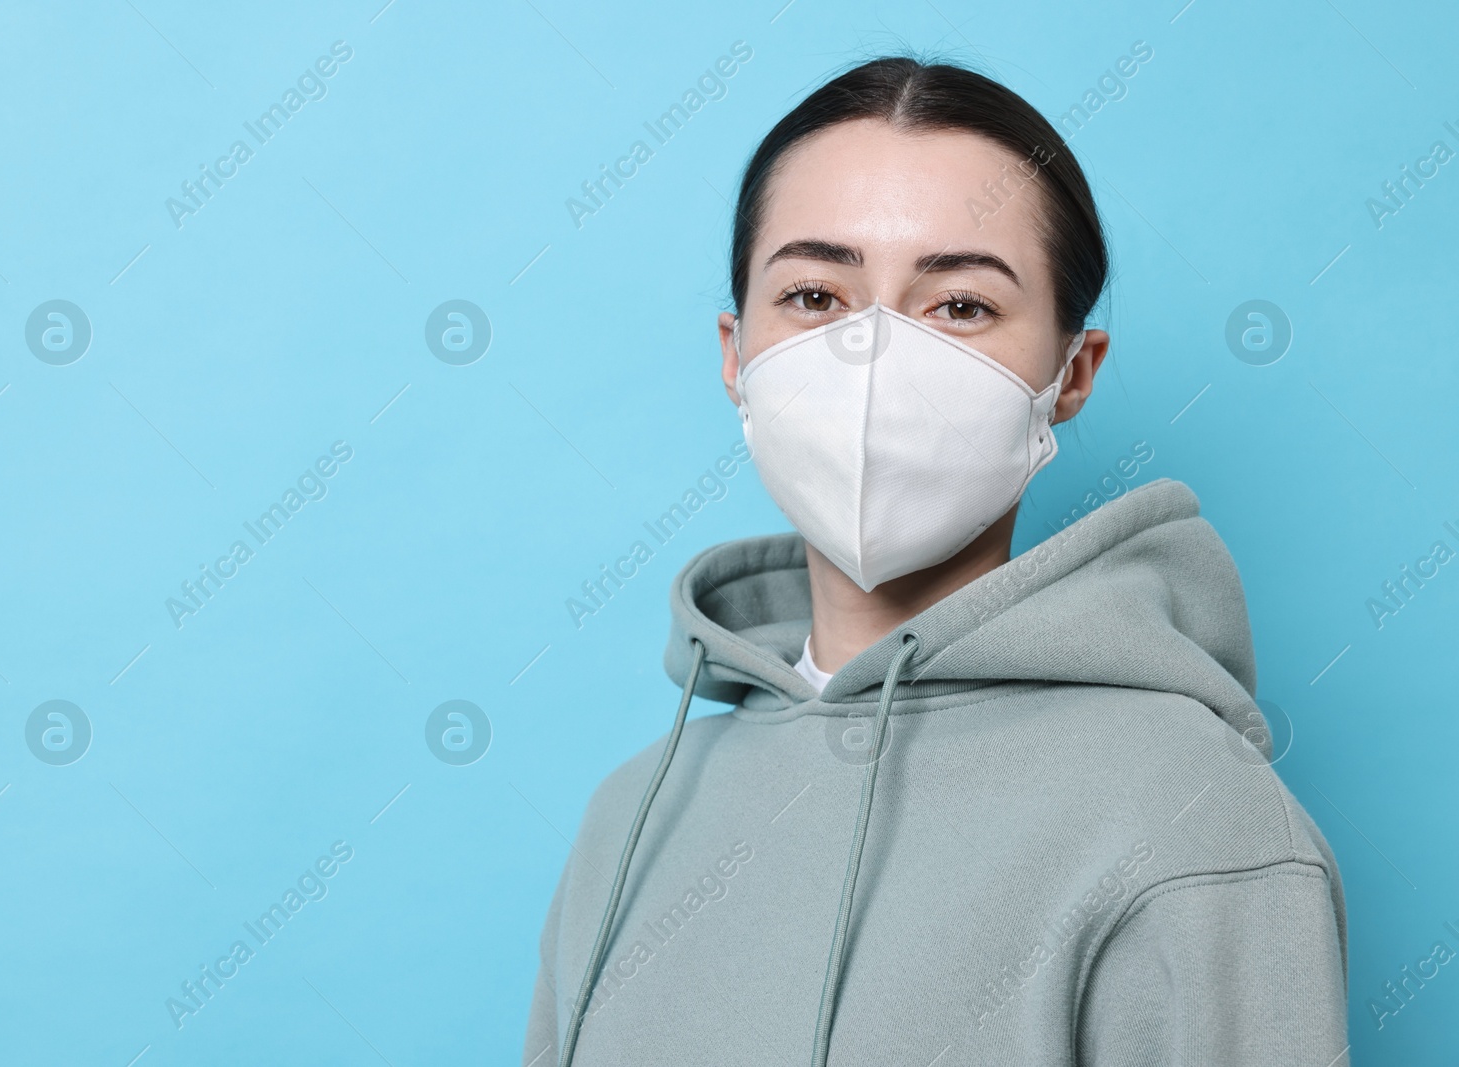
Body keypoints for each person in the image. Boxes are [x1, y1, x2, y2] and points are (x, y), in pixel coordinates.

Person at [523, 56, 1348, 1067]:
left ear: (1069, 371)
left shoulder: (1187, 814)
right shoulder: (633, 812)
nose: (870, 356)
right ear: (736, 353)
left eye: (957, 305)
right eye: (816, 293)